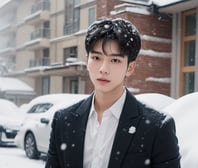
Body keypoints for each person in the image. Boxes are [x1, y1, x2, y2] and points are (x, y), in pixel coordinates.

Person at [45, 18, 181, 168]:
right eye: (96, 58)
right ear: (87, 61)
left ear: (130, 67)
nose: (103, 68)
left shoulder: (158, 127)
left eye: (115, 60)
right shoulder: (63, 120)